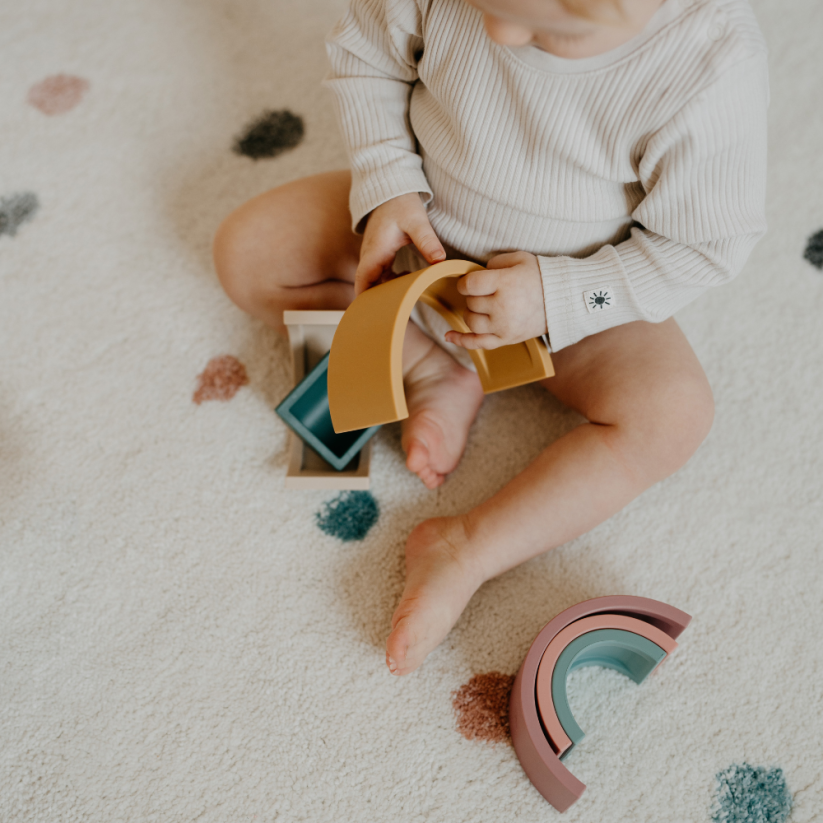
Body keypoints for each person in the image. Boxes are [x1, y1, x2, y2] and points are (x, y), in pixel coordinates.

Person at [213, 0, 768, 676]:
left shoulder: (708, 61)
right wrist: (387, 182)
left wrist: (556, 297)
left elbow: (699, 248)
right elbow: (364, 55)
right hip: (413, 238)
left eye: (547, 28)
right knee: (247, 251)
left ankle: (467, 548)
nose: (500, 34)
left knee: (672, 415)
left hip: (571, 299)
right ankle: (433, 367)